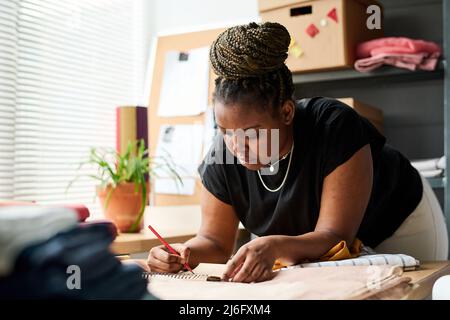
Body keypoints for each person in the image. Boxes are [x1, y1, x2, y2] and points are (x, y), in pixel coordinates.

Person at [147, 22, 448, 283]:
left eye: (251, 133)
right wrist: (183, 254)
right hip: (319, 248)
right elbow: (214, 241)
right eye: (226, 132)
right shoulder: (222, 154)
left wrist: (274, 246)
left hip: (396, 224)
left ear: (287, 112)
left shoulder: (333, 125)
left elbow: (334, 236)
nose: (237, 147)